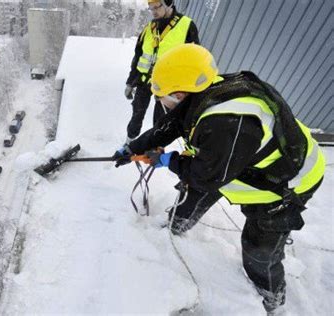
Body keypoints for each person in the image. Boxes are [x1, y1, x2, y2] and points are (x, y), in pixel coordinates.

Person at [114, 44, 325, 314]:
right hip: (235, 158)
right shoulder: (203, 92)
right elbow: (172, 125)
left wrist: (168, 160)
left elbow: (206, 175)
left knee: (258, 249)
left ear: (179, 94)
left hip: (286, 183)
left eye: (161, 97)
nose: (160, 102)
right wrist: (134, 148)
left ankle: (272, 295)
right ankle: (177, 223)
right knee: (194, 190)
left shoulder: (225, 123)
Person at [123, 0, 199, 145]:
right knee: (137, 115)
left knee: (161, 120)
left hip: (168, 85)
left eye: (157, 7)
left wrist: (186, 90)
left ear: (169, 3)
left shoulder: (187, 26)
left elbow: (193, 59)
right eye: (150, 8)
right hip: (145, 81)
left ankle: (154, 147)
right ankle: (129, 142)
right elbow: (138, 57)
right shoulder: (149, 28)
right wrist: (130, 82)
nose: (154, 11)